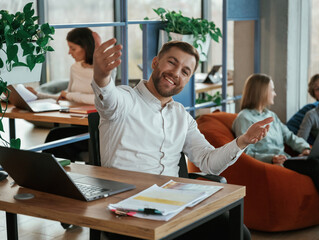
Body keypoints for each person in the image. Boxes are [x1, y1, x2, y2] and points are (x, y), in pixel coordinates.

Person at [91, 33, 273, 240]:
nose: (176, 73)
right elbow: (107, 97)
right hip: (126, 209)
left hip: (171, 207)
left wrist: (243, 141)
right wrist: (101, 76)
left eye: (185, 71)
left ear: (187, 80)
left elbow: (208, 163)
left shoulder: (182, 117)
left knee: (237, 232)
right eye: (172, 63)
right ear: (155, 62)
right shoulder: (125, 100)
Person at [232, 73, 319, 233]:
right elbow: (245, 153)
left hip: (285, 159)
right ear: (261, 91)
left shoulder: (271, 116)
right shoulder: (244, 118)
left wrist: (307, 148)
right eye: (272, 89)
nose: (275, 93)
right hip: (273, 162)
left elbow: (291, 137)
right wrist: (270, 158)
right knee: (314, 164)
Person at [40, 28, 96, 162]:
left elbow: (97, 99)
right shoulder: (75, 67)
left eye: (73, 48)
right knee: (57, 140)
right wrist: (37, 94)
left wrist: (70, 95)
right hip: (76, 122)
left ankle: (46, 175)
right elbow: (65, 95)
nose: (69, 52)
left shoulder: (104, 69)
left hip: (95, 127)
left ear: (86, 47)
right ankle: (51, 176)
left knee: (56, 139)